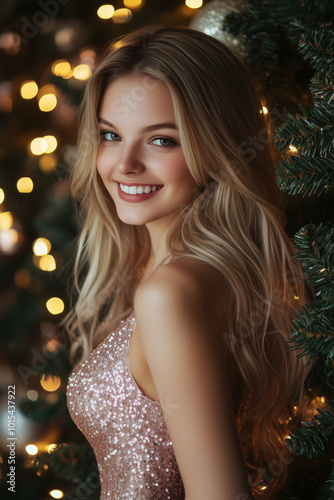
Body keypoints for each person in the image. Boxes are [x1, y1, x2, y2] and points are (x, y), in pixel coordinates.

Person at [65, 25, 310, 500]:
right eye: (111, 135)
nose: (125, 164)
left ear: (214, 146)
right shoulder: (189, 276)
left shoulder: (170, 291)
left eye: (161, 141)